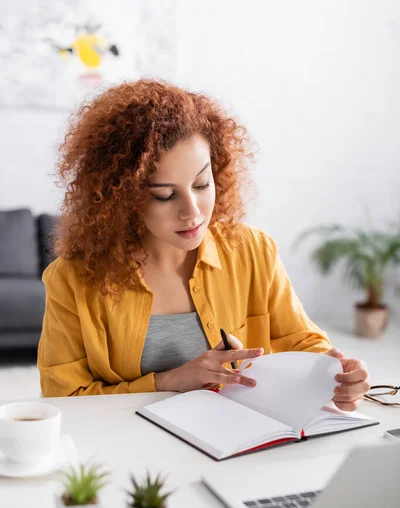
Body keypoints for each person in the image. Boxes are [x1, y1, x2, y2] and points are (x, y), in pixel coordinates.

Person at [38, 79, 370, 409]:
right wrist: (168, 381)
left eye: (201, 183)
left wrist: (336, 376)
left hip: (238, 443)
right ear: (121, 198)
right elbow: (64, 397)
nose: (192, 211)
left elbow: (303, 343)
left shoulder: (252, 251)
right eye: (165, 195)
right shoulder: (73, 279)